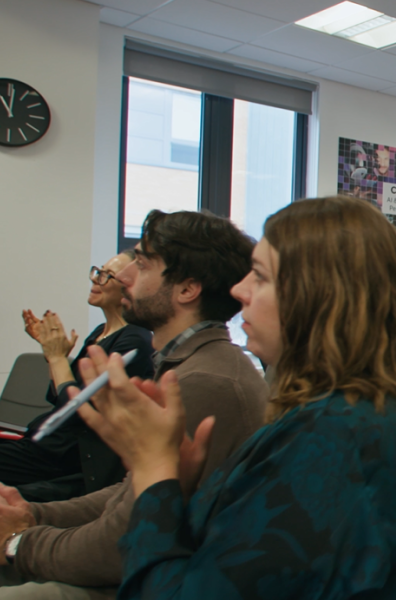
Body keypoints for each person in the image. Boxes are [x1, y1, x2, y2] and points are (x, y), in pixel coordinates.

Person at [65, 196, 396, 599]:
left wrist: (154, 471)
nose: (239, 290)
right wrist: (176, 484)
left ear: (317, 299)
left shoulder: (329, 441)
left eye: (259, 276)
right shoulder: (333, 417)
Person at [0, 210, 270, 599]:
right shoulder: (189, 365)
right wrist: (33, 515)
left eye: (142, 265)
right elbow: (129, 492)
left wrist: (20, 543)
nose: (124, 277)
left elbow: (121, 545)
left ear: (187, 289)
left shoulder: (205, 382)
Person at [10, 254, 154, 502]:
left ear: (128, 289)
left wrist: (57, 359)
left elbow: (76, 409)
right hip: (46, 446)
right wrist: (52, 354)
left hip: (69, 458)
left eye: (106, 275)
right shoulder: (100, 333)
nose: (96, 280)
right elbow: (58, 396)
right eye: (98, 271)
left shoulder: (134, 342)